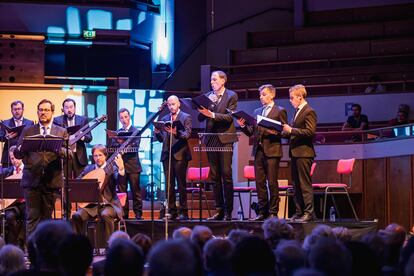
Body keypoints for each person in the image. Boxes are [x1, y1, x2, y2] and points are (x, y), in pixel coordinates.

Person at [14, 99, 69, 238]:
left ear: (52, 112)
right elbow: (18, 153)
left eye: (46, 110)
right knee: (32, 216)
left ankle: (45, 251)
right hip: (31, 180)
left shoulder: (61, 131)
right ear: (37, 112)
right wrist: (19, 149)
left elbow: (69, 155)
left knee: (46, 219)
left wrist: (58, 149)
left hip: (51, 180)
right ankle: (31, 252)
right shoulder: (28, 130)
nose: (43, 113)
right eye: (41, 110)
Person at [238, 84, 287, 220]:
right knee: (259, 183)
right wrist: (243, 125)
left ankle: (273, 212)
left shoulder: (279, 111)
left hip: (272, 151)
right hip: (258, 151)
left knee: (272, 182)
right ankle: (262, 212)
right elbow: (251, 132)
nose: (261, 97)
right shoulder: (256, 111)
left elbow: (284, 132)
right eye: (260, 95)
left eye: (264, 94)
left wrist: (274, 131)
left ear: (272, 95)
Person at [198, 70, 238, 221]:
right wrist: (208, 106)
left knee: (226, 174)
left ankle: (228, 211)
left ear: (223, 81)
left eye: (214, 79)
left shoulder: (231, 95)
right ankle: (219, 209)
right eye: (211, 80)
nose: (212, 82)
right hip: (211, 139)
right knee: (214, 176)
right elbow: (201, 117)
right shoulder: (209, 96)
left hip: (225, 139)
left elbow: (229, 117)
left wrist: (213, 114)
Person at [72, 144, 125, 244]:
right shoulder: (88, 169)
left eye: (100, 155)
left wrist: (121, 169)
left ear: (105, 156)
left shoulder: (112, 169)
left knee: (105, 214)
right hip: (91, 206)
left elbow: (120, 182)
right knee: (77, 216)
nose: (98, 158)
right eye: (95, 156)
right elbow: (78, 182)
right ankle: (78, 245)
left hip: (109, 205)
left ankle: (110, 245)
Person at [283, 84, 317, 222]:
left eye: (292, 98)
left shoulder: (309, 111)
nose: (290, 101)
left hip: (304, 153)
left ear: (300, 96)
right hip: (295, 153)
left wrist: (291, 130)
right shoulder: (297, 111)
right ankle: (299, 212)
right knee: (296, 185)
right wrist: (281, 132)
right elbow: (293, 133)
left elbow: (310, 132)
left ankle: (309, 212)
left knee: (304, 184)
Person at [154, 95, 192, 220]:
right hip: (167, 154)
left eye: (173, 104)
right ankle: (171, 211)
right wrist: (158, 133)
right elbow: (162, 140)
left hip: (180, 154)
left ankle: (183, 212)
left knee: (181, 184)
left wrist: (177, 132)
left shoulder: (186, 117)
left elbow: (187, 135)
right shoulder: (165, 118)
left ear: (179, 104)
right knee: (169, 185)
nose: (171, 107)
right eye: (169, 105)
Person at [53, 98, 92, 178]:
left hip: (79, 156)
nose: (69, 110)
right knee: (65, 181)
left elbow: (89, 138)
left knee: (81, 182)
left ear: (75, 108)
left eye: (71, 107)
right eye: (66, 108)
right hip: (64, 156)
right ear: (63, 109)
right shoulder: (57, 120)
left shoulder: (83, 120)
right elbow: (55, 138)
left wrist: (82, 136)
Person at [115, 108, 143, 220]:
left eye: (126, 117)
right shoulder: (117, 132)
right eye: (121, 118)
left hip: (133, 165)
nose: (124, 119)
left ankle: (138, 214)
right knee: (122, 192)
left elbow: (135, 146)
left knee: (135, 191)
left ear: (129, 116)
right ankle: (124, 214)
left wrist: (123, 147)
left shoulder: (136, 131)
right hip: (121, 165)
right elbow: (113, 145)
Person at [0, 146, 26, 248]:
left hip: (25, 203)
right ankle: (12, 246)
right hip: (11, 205)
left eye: (16, 157)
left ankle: (21, 242)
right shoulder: (7, 172)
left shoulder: (28, 171)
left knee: (29, 216)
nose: (14, 160)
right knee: (10, 217)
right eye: (11, 158)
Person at [0, 100, 34, 167]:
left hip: (24, 156)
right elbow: (0, 137)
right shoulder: (5, 123)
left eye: (19, 109)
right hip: (8, 158)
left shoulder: (30, 123)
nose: (17, 111)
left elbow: (32, 139)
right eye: (14, 109)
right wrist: (6, 137)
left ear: (23, 110)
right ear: (11, 111)